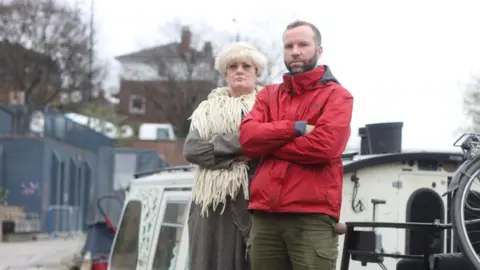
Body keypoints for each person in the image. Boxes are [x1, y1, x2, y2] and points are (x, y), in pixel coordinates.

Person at [239, 20, 354, 270]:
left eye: (303, 44)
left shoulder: (337, 96)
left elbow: (325, 147)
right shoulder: (268, 94)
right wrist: (295, 128)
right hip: (264, 216)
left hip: (311, 217)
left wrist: (268, 145)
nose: (295, 51)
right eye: (289, 45)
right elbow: (247, 138)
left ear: (319, 51)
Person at [182, 41, 268, 270]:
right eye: (233, 66)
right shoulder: (206, 110)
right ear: (225, 73)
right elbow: (191, 150)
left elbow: (265, 143)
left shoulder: (268, 107)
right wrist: (236, 151)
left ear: (256, 72)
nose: (239, 70)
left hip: (251, 199)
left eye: (246, 66)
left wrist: (218, 147)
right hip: (210, 203)